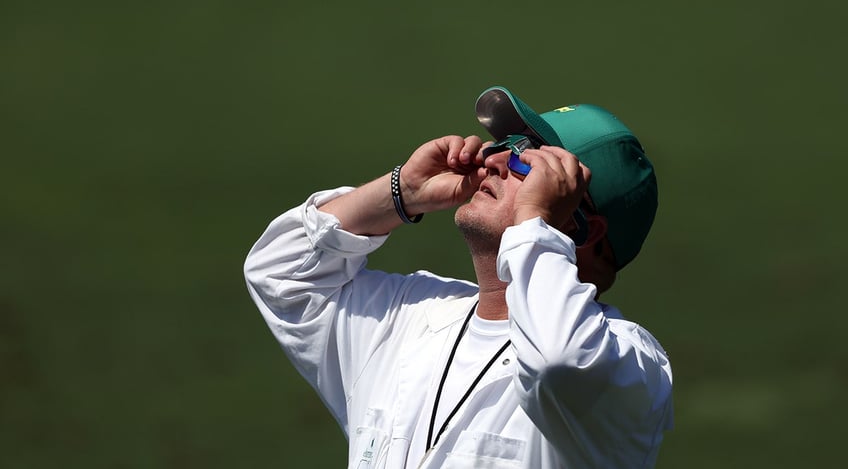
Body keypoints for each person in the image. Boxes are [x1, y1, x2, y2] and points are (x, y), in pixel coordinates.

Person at [244, 86, 673, 468]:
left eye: (531, 164)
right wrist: (401, 194)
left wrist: (535, 223)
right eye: (507, 144)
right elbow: (280, 272)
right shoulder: (411, 315)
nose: (495, 159)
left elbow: (556, 363)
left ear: (582, 227)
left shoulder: (628, 361)